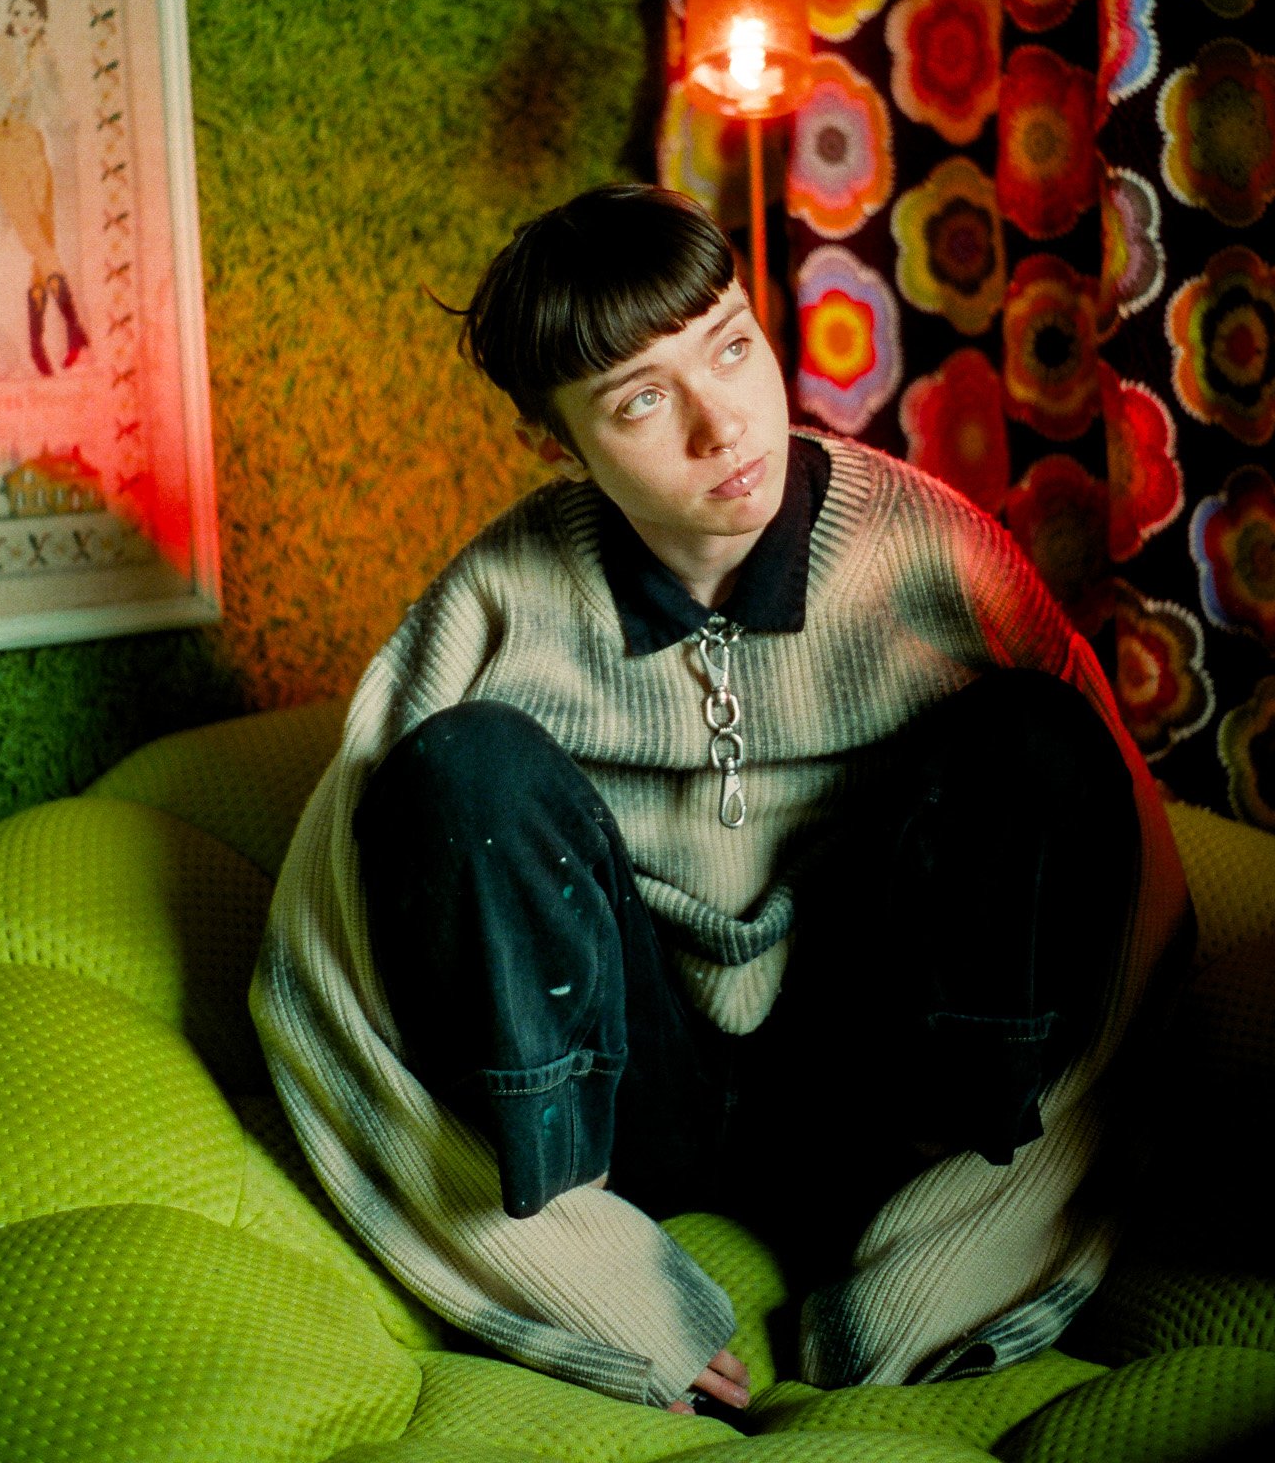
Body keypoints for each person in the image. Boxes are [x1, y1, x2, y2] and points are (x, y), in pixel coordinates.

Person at [251, 183, 1192, 1415]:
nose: (722, 423)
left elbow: (1129, 914)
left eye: (731, 347)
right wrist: (588, 1288)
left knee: (1036, 733)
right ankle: (568, 1193)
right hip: (629, 1103)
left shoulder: (925, 546)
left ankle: (955, 1174)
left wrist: (951, 1270)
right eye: (639, 400)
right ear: (555, 443)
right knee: (463, 766)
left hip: (876, 1096)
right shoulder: (493, 600)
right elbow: (326, 969)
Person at [0, 0, 90, 377]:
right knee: (35, 241)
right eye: (18, 13)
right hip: (1, 147)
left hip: (32, 148)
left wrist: (44, 74)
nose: (23, 21)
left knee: (44, 242)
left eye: (31, 15)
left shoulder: (44, 58)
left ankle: (37, 344)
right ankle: (73, 328)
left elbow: (57, 109)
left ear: (42, 20)